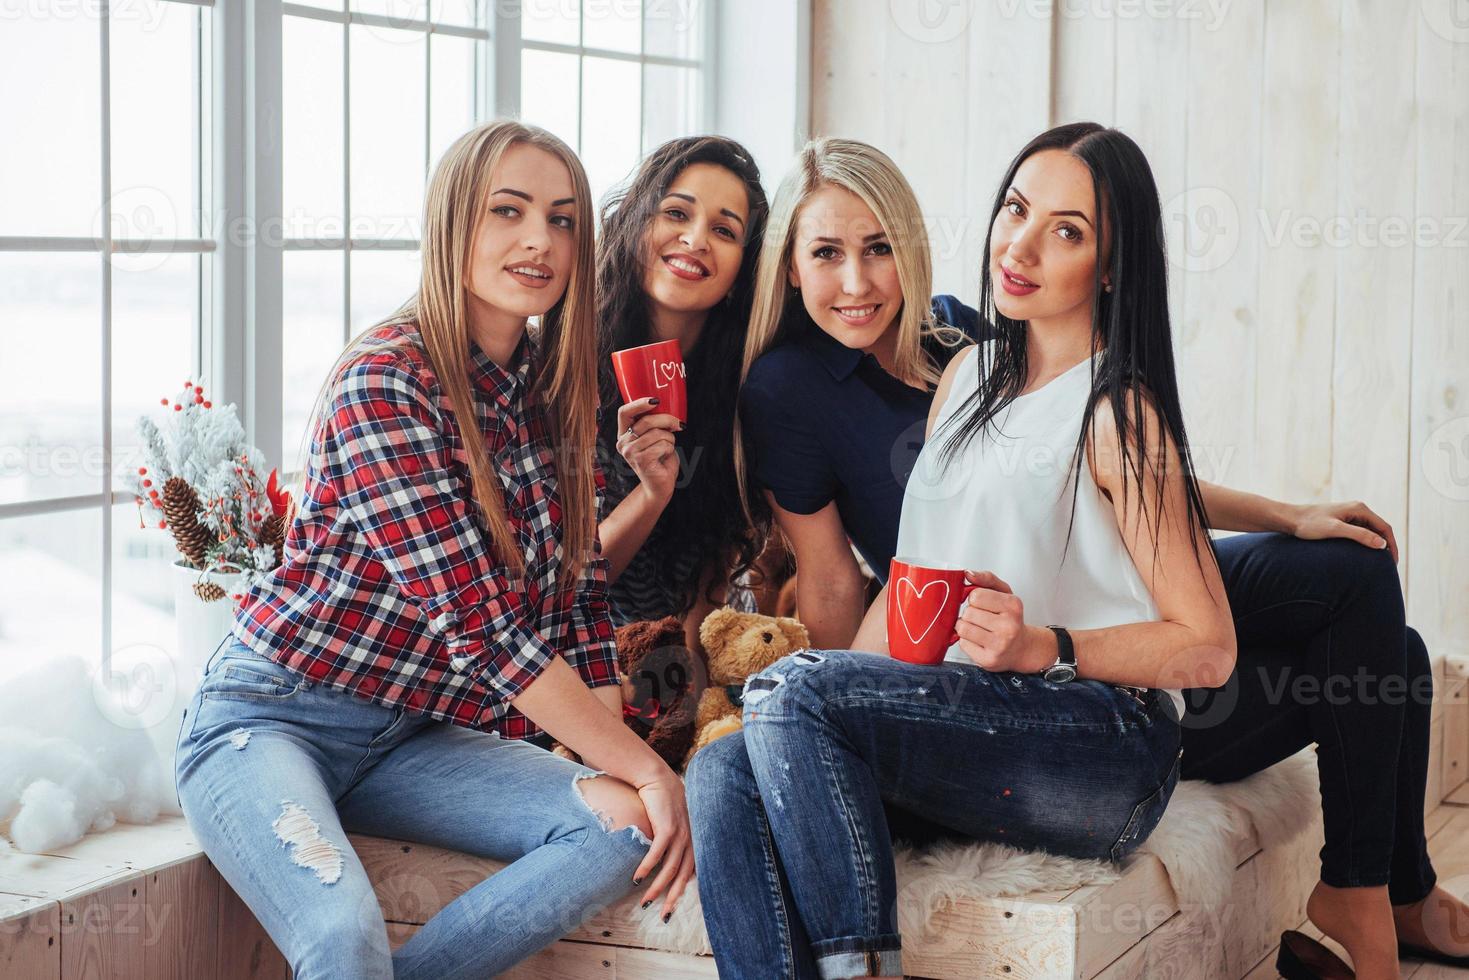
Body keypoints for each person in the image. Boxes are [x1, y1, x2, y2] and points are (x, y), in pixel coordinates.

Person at [687, 127, 1235, 979]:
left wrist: (1045, 647)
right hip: (969, 723)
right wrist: (819, 700)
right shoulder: (966, 376)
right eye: (1016, 210)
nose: (1018, 245)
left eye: (1067, 230)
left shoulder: (1118, 415)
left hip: (1101, 746)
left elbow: (1206, 647)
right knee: (726, 765)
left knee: (790, 689)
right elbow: (908, 582)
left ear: (1113, 266)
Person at [174, 121, 693, 980]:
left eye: (563, 220)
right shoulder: (385, 380)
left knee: (623, 830)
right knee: (342, 940)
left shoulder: (551, 392)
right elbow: (483, 629)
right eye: (508, 211)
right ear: (453, 224)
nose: (539, 240)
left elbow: (578, 605)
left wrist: (629, 773)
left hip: (416, 736)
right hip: (271, 719)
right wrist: (649, 768)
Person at [594, 136, 770, 652]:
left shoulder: (745, 386)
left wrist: (690, 701)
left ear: (743, 271)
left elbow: (714, 581)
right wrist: (651, 494)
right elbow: (564, 590)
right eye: (676, 213)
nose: (695, 240)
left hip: (699, 649)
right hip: (579, 657)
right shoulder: (563, 368)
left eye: (723, 230)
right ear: (635, 225)